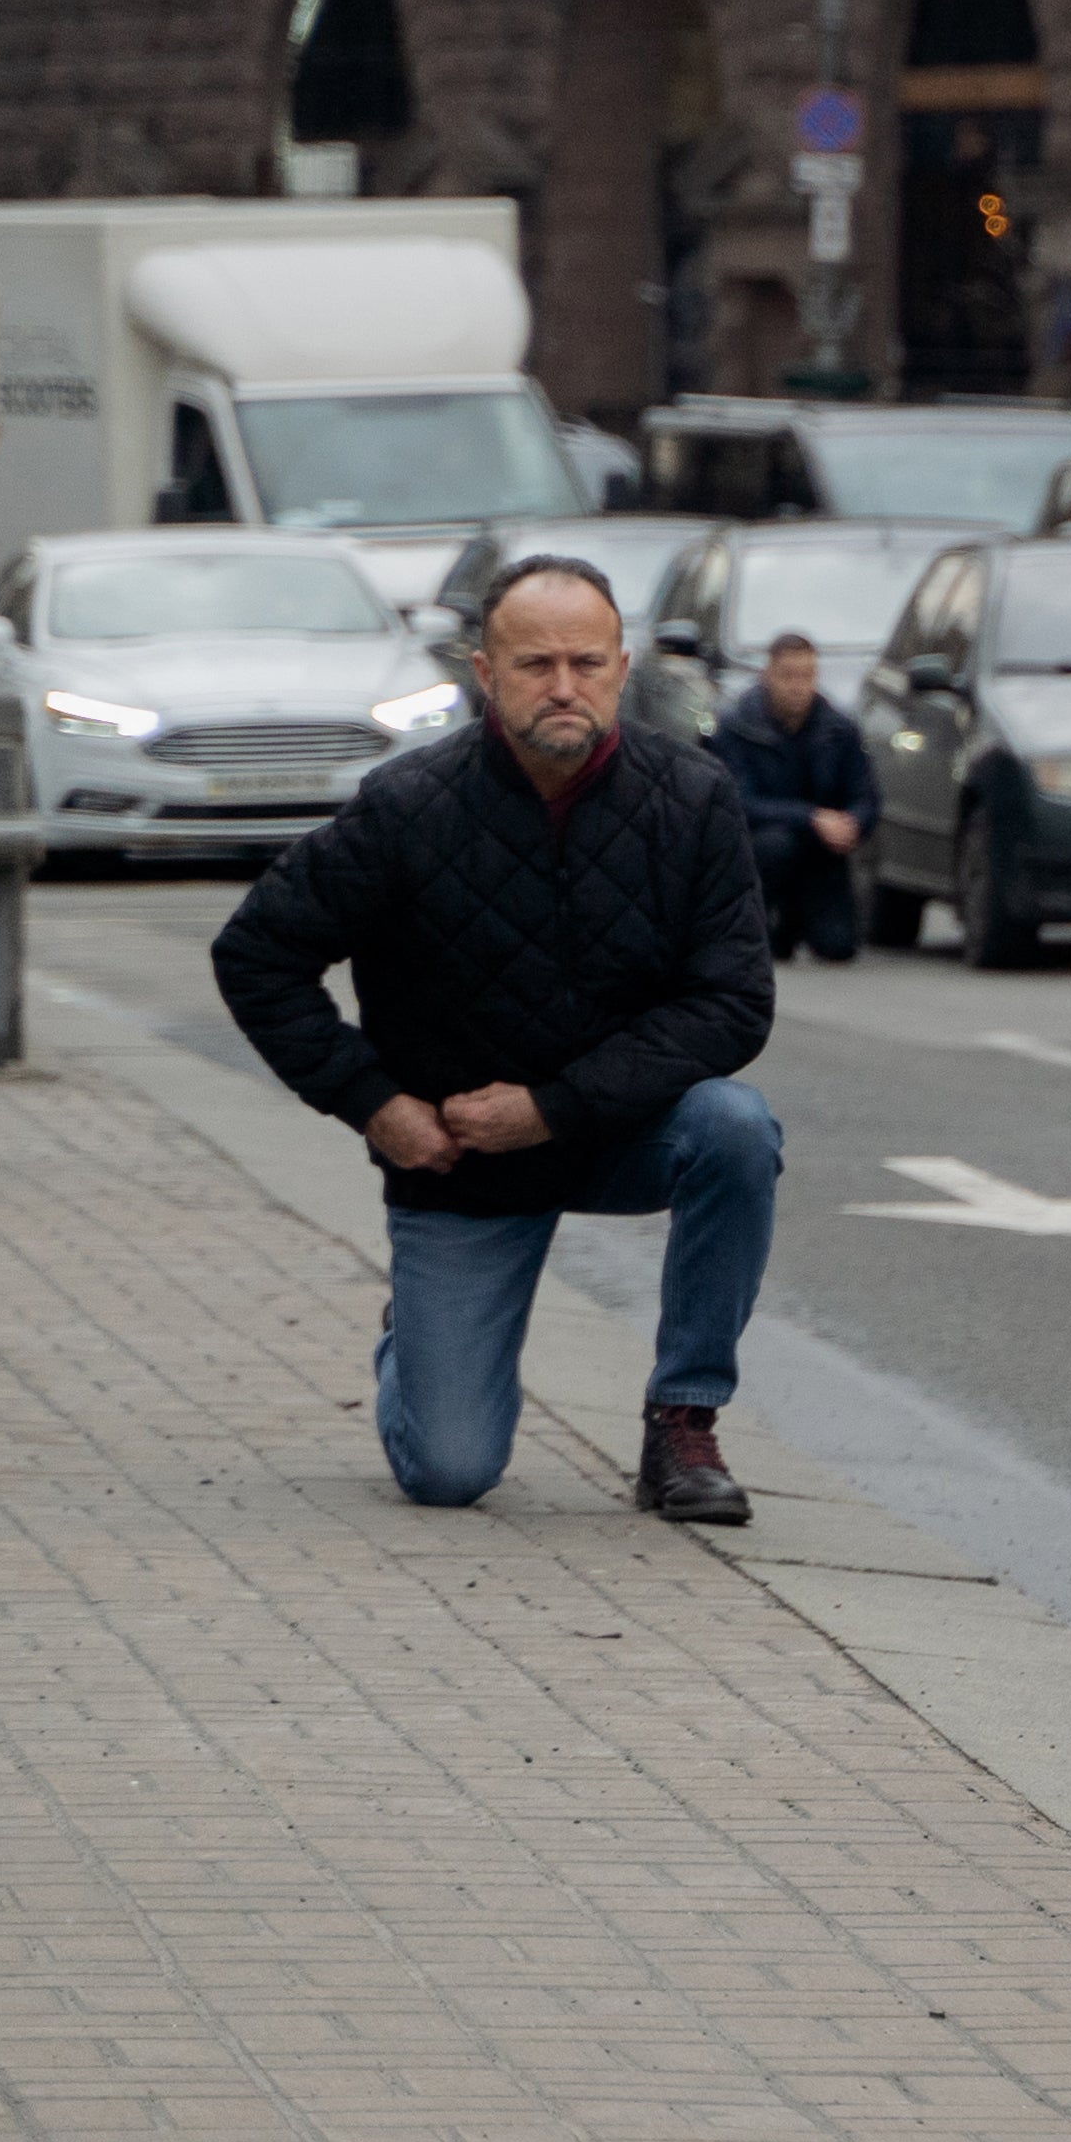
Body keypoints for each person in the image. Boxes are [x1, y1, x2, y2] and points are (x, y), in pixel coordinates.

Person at [210, 554, 784, 1524]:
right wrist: (375, 1104)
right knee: (450, 1472)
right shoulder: (407, 807)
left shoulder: (691, 797)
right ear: (485, 672)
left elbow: (733, 1000)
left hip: (620, 1133)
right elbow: (255, 954)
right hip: (461, 1160)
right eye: (535, 664)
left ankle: (684, 1419)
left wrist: (555, 1108)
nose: (565, 687)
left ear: (622, 665)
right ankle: (418, 1340)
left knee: (733, 1127)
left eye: (587, 662)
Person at [710, 628, 881, 964]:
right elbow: (737, 803)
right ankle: (763, 921)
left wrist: (853, 823)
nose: (798, 686)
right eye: (788, 676)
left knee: (838, 948)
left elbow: (867, 796)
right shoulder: (736, 727)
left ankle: (807, 919)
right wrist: (812, 818)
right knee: (777, 844)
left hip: (820, 854)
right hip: (761, 849)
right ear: (767, 675)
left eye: (807, 676)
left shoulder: (838, 729)